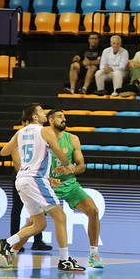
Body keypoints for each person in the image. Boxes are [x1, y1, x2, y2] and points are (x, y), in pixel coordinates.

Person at [0, 103, 85, 272]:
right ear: (35, 117)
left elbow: (3, 152)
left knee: (39, 223)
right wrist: (69, 165)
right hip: (35, 179)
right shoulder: (45, 131)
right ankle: (65, 260)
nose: (45, 114)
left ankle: (7, 243)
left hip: (21, 179)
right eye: (42, 112)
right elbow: (59, 152)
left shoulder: (20, 132)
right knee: (60, 216)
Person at [47, 109, 104, 268]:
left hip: (69, 184)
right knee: (35, 223)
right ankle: (11, 250)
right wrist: (48, 179)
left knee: (93, 211)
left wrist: (69, 169)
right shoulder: (43, 139)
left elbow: (81, 166)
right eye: (59, 117)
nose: (63, 119)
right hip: (48, 185)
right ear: (50, 121)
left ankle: (94, 254)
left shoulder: (72, 138)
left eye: (64, 116)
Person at [9, 115, 52, 252]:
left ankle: (37, 241)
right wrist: (24, 172)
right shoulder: (19, 138)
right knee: (17, 209)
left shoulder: (36, 138)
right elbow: (16, 161)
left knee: (37, 210)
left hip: (32, 176)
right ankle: (13, 240)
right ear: (24, 123)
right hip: (22, 176)